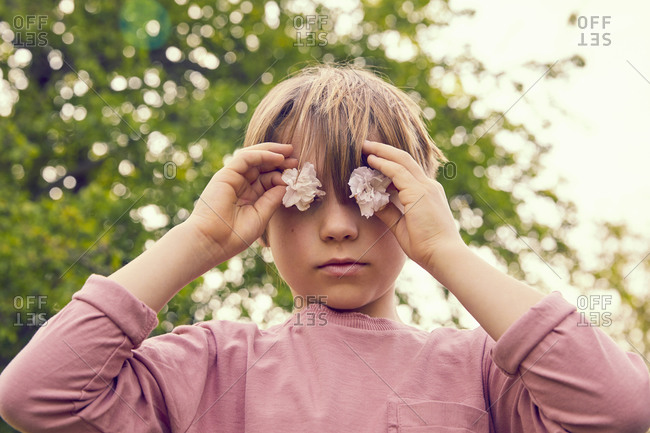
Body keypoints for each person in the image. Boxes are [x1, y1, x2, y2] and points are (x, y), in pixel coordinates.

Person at [1, 63, 649, 433]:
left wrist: (447, 250)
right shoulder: (209, 366)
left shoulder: (484, 374)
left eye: (369, 195)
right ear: (261, 220)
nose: (337, 226)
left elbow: (625, 410)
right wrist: (197, 239)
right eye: (304, 199)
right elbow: (34, 395)